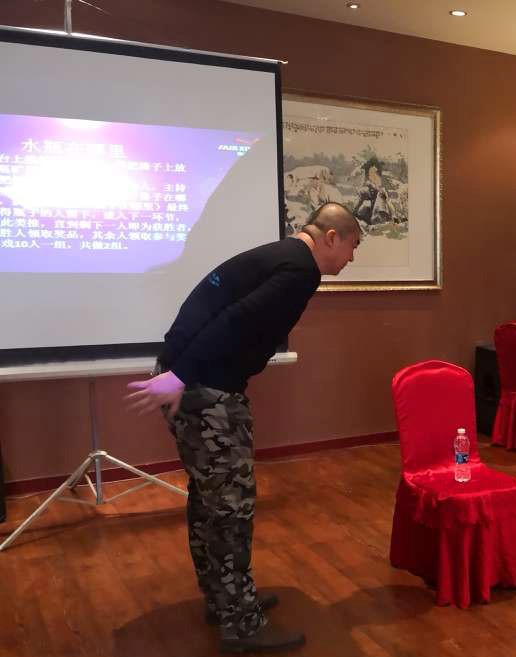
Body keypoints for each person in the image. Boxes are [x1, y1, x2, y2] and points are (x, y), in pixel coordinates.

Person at [126, 202, 360, 653]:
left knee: (209, 499)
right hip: (204, 390)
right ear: (331, 237)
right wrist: (180, 375)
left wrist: (176, 368)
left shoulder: (278, 257)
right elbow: (234, 320)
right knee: (231, 508)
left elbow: (211, 307)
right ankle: (242, 623)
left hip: (194, 382)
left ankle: (223, 599)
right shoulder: (299, 269)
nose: (351, 259)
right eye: (352, 247)